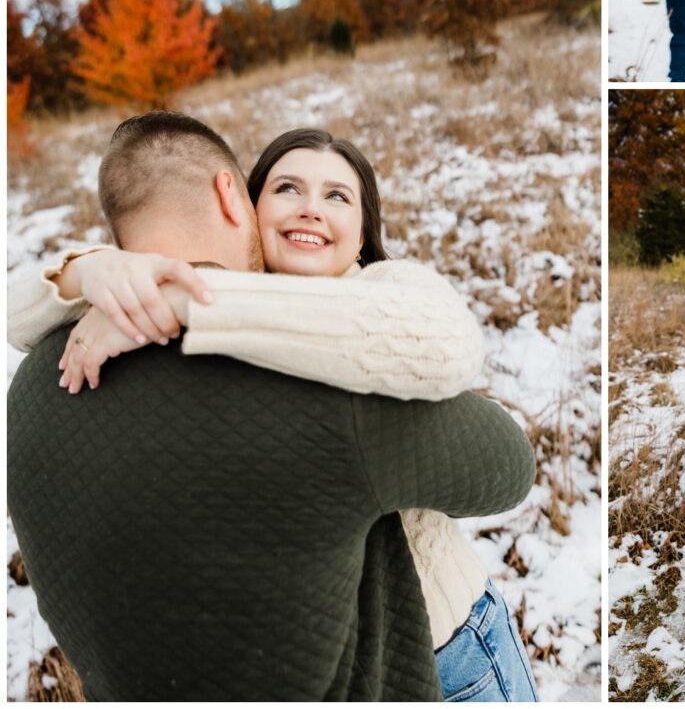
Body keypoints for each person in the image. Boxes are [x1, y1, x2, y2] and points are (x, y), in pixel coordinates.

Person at [8, 114, 538, 701]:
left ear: (362, 234)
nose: (311, 208)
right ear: (243, 202)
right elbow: (17, 314)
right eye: (287, 188)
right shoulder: (141, 320)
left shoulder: (387, 297)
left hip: (451, 638)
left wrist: (189, 295)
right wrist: (90, 270)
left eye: (338, 196)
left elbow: (446, 344)